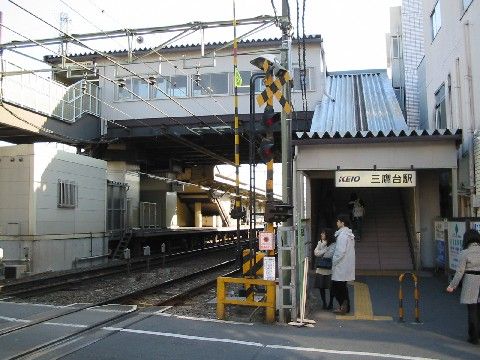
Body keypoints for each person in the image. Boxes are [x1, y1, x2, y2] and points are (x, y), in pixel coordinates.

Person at [446, 229, 480, 345]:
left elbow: (460, 271)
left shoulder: (465, 253)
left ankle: (473, 337)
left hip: (470, 281)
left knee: (472, 310)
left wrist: (452, 286)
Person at [331, 214, 356, 315]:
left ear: (342, 223)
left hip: (340, 265)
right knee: (342, 287)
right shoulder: (349, 235)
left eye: (338, 221)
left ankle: (343, 306)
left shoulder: (342, 236)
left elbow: (340, 252)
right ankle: (346, 307)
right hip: (346, 266)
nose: (336, 223)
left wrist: (334, 261)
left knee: (337, 288)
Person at [314, 228, 336, 310]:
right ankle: (324, 303)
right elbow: (315, 253)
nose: (321, 235)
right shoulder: (320, 242)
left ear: (327, 235)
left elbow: (329, 255)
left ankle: (331, 303)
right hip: (320, 269)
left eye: (323, 234)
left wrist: (321, 251)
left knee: (331, 288)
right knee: (321, 287)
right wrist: (325, 250)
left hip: (329, 269)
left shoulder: (333, 244)